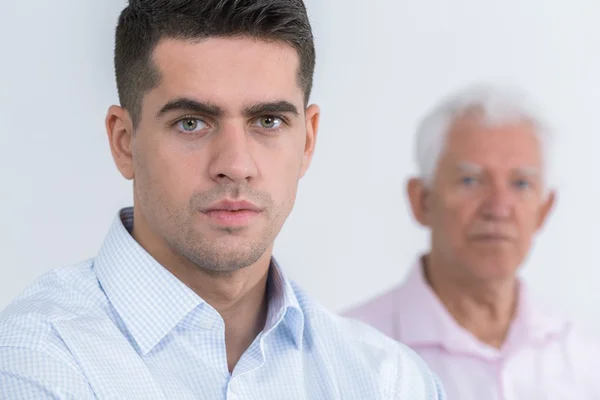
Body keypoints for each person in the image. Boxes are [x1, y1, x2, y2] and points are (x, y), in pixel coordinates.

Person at [0, 1, 446, 399]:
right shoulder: (35, 363)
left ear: (308, 141)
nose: (235, 164)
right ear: (123, 142)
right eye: (192, 123)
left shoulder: (389, 381)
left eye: (268, 120)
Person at [344, 84, 600, 399]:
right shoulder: (349, 351)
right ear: (422, 200)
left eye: (521, 184)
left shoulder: (585, 356)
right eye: (470, 180)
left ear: (544, 210)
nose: (498, 207)